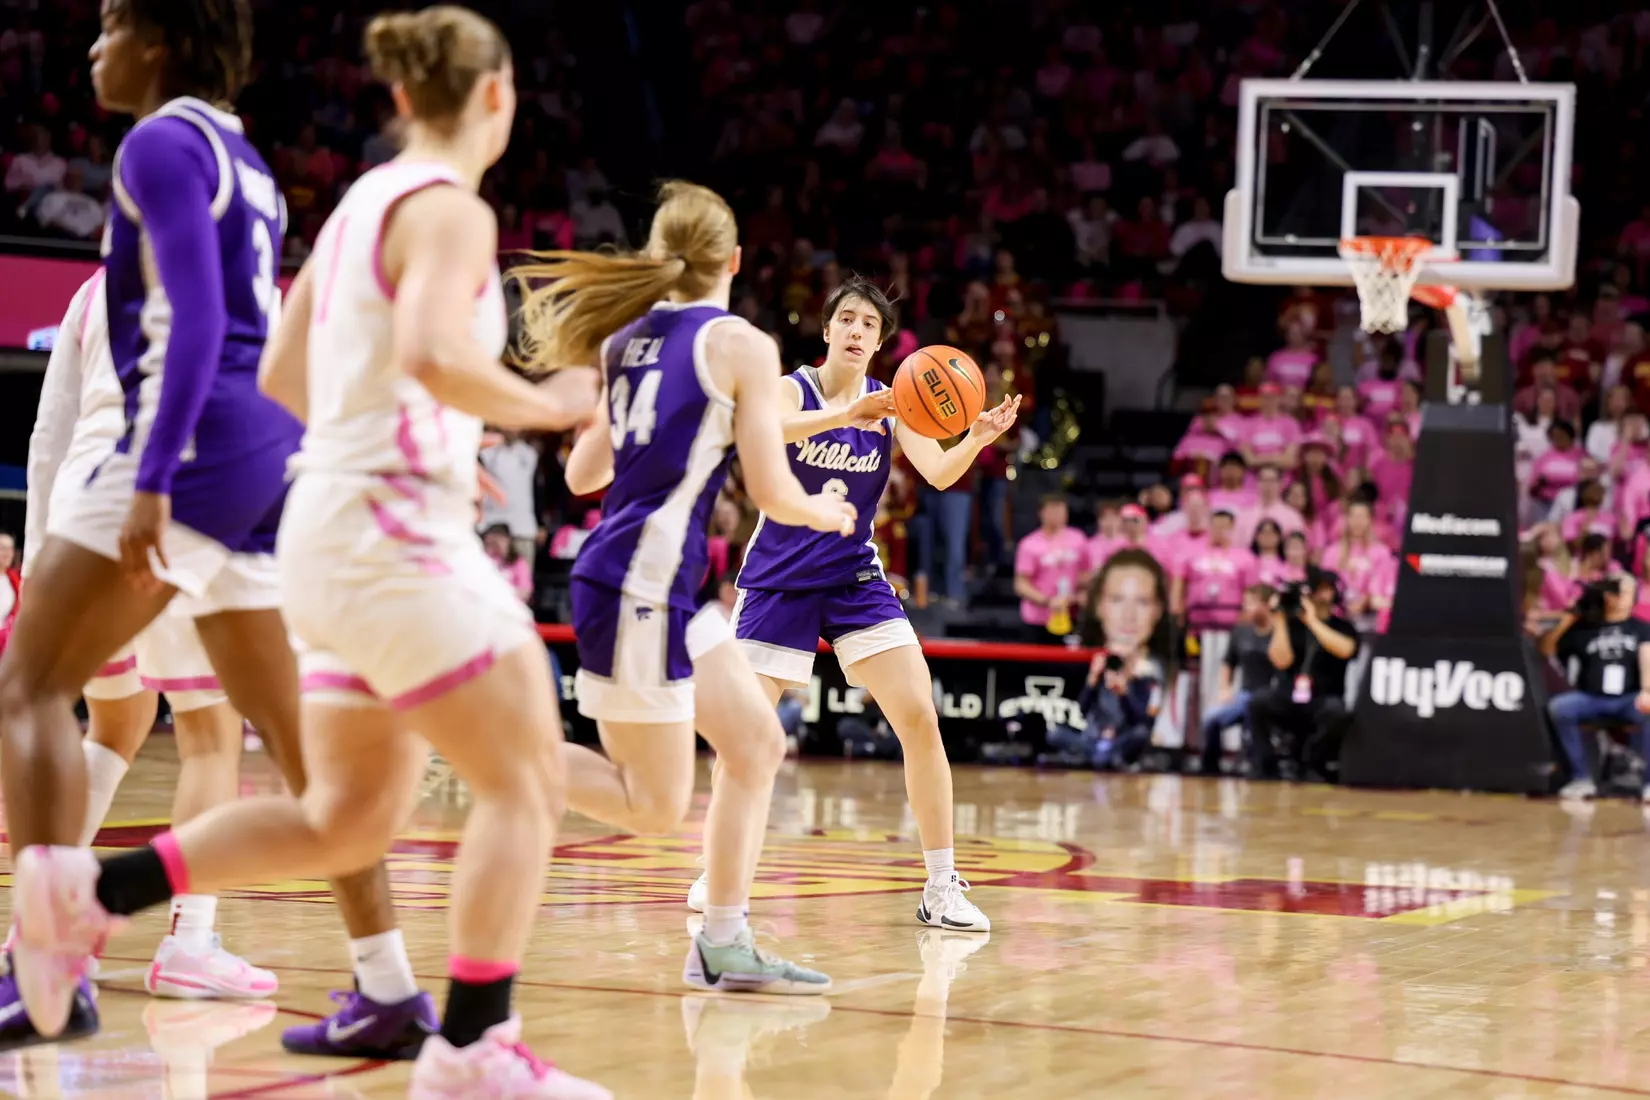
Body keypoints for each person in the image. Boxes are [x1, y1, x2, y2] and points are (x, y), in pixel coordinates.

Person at [11, 10, 611, 1097]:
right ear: (495, 99)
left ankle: (99, 892)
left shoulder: (351, 215)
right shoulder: (444, 211)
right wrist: (544, 403)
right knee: (525, 765)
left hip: (325, 525)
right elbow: (423, 352)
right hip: (362, 523)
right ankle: (474, 1045)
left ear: (399, 99)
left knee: (343, 811)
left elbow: (289, 379)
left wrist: (386, 436)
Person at [0, 0, 414, 1053]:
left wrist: (149, 478)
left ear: (163, 38)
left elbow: (188, 319)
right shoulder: (249, 161)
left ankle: (45, 975)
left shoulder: (159, 141)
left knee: (31, 684)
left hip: (182, 449)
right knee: (296, 745)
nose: (93, 47)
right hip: (260, 458)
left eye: (109, 23)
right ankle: (389, 985)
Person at [520, 179, 855, 994]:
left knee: (756, 743)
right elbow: (774, 493)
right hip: (642, 584)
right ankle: (494, 751)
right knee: (652, 806)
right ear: (735, 260)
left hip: (652, 580)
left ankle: (723, 941)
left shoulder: (624, 341)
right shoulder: (742, 344)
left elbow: (582, 470)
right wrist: (828, 507)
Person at [705, 275, 1019, 934]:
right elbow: (762, 430)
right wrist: (844, 416)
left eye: (868, 325)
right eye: (845, 319)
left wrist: (978, 439)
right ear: (826, 331)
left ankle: (940, 884)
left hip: (853, 578)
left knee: (919, 717)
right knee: (746, 739)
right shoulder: (794, 388)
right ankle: (719, 873)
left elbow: (936, 473)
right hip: (779, 579)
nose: (854, 331)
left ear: (880, 343)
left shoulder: (897, 402)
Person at [19, 268, 278, 1012]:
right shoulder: (248, 271)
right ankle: (190, 943)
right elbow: (263, 416)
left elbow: (52, 427)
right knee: (208, 732)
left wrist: (41, 551)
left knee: (115, 722)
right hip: (178, 504)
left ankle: (42, 929)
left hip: (81, 506)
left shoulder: (94, 286)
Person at [1540, 574, 1650, 801]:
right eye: (1626, 593)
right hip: (1591, 698)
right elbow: (1547, 649)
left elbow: (1648, 658)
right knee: (1560, 707)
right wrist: (1569, 617)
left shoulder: (1641, 628)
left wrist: (1647, 691)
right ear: (1609, 597)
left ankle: (1648, 783)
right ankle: (1581, 779)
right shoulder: (1585, 627)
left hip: (1629, 699)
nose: (1630, 599)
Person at [1245, 568, 1359, 780]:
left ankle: (1312, 762)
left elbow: (1346, 650)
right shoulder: (1291, 624)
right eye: (1319, 590)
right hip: (1289, 696)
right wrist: (1279, 620)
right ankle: (1266, 765)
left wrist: (1313, 621)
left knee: (1337, 713)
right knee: (1257, 702)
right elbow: (1280, 660)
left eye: (1328, 590)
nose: (1323, 595)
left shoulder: (1343, 626)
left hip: (1323, 699)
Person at [1197, 584, 1278, 774]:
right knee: (1212, 718)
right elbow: (1228, 663)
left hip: (1270, 696)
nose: (1245, 608)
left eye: (1251, 603)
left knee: (1255, 713)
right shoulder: (1241, 632)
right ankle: (1210, 765)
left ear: (1266, 605)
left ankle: (1254, 761)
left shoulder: (1278, 633)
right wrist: (1225, 688)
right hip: (1245, 694)